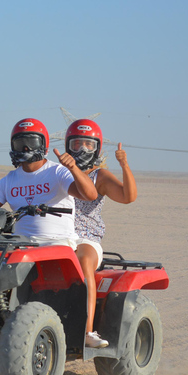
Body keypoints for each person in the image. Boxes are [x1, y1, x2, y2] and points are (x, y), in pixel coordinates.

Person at [0, 118, 97, 247]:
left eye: (32, 142)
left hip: (57, 243)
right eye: (20, 143)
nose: (26, 148)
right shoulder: (8, 181)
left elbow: (90, 195)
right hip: (20, 244)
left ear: (43, 144)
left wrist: (73, 168)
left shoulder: (58, 172)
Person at [64, 119, 137, 348]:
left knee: (84, 260)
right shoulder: (58, 172)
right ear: (68, 146)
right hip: (57, 235)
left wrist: (124, 165)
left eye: (89, 144)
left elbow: (128, 197)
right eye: (77, 144)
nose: (83, 149)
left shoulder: (100, 176)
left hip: (86, 238)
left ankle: (88, 332)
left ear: (97, 147)